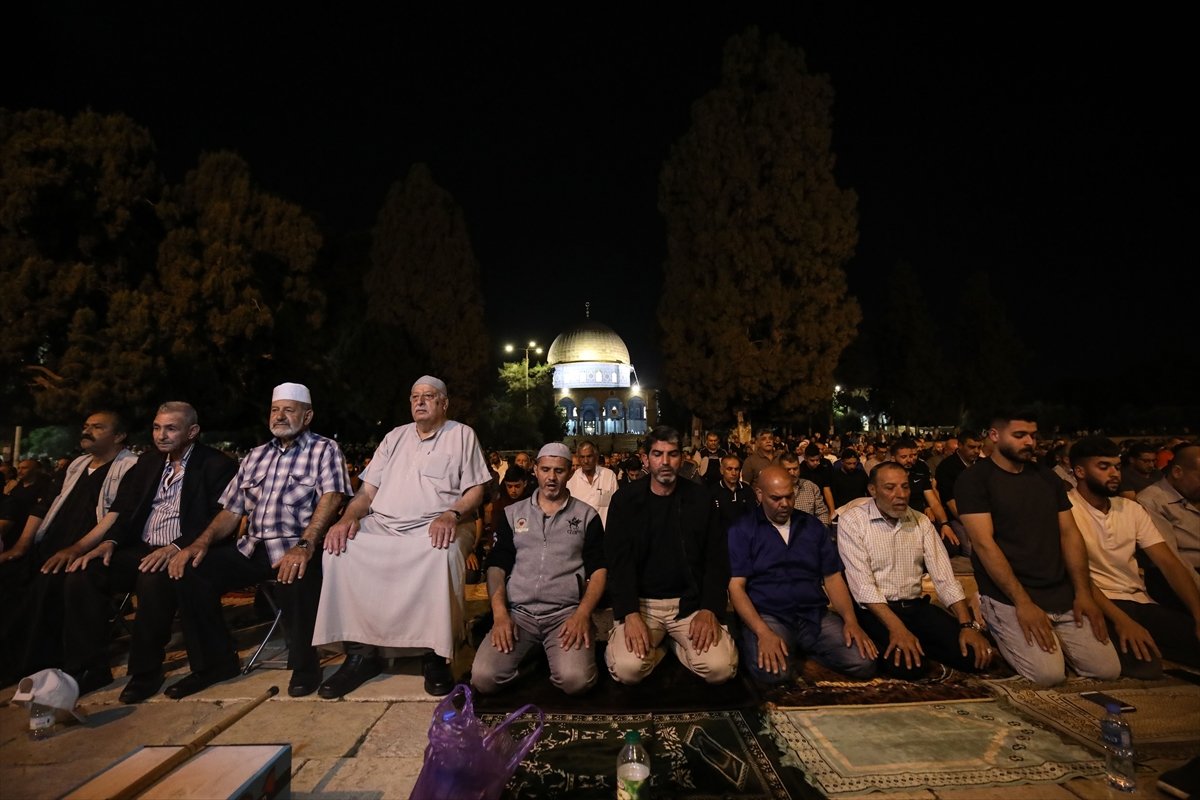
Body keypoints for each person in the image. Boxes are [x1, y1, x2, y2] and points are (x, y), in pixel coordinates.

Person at [167, 384, 350, 698]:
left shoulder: (324, 449)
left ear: (307, 416)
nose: (279, 416)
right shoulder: (255, 456)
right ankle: (215, 664)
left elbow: (331, 499)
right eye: (275, 410)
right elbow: (231, 511)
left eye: (288, 410)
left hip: (297, 544)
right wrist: (200, 543)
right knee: (193, 569)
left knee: (295, 572)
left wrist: (305, 545)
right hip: (252, 547)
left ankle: (306, 666)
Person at [313, 376, 491, 697]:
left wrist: (451, 514)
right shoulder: (394, 437)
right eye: (414, 397)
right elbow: (367, 492)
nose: (420, 402)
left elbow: (476, 490)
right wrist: (348, 517)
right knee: (339, 550)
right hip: (384, 524)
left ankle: (434, 655)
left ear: (444, 403)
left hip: (440, 524)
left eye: (429, 396)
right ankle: (361, 655)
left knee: (441, 554)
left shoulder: (462, 435)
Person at [65, 402, 237, 701]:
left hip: (182, 548)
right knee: (83, 572)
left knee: (153, 578)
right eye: (157, 427)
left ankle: (146, 670)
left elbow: (217, 519)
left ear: (192, 431)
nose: (161, 435)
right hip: (140, 548)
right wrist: (110, 543)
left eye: (171, 428)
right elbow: (127, 511)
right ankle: (91, 667)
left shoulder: (215, 465)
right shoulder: (147, 463)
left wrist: (175, 547)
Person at [956, 411, 1119, 686]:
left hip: (1058, 590)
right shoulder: (975, 480)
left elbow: (1069, 534)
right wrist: (1023, 602)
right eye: (1019, 435)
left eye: (1032, 435)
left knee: (1106, 670)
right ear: (994, 436)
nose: (1029, 442)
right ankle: (991, 617)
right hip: (1009, 594)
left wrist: (1083, 593)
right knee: (1048, 674)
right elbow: (984, 545)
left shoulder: (1047, 479)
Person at [0, 411, 137, 684]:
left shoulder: (131, 466)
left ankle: (38, 663)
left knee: (53, 580)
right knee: (8, 573)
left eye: (98, 427)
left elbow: (119, 516)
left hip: (92, 547)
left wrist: (76, 549)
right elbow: (45, 505)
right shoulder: (75, 466)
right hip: (49, 544)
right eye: (86, 426)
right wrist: (22, 545)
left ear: (119, 436)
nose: (87, 431)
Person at [604, 426, 737, 685]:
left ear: (682, 458)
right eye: (657, 454)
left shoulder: (700, 499)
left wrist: (709, 608)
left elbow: (716, 558)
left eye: (672, 454)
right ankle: (662, 647)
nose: (665, 462)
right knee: (627, 671)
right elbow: (618, 563)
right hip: (643, 606)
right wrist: (629, 613)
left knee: (721, 669)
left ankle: (677, 646)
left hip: (690, 605)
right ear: (646, 458)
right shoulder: (625, 501)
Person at [837, 463, 994, 680]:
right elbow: (863, 587)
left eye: (905, 487)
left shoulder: (920, 521)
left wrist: (967, 625)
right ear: (872, 490)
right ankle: (913, 645)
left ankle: (920, 643)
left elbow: (944, 578)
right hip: (876, 612)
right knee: (910, 668)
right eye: (890, 488)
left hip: (915, 607)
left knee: (976, 656)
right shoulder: (853, 521)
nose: (900, 495)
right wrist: (897, 629)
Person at [471, 443, 606, 695]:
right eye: (545, 470)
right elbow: (497, 566)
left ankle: (552, 655)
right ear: (535, 470)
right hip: (519, 615)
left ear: (569, 472)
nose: (551, 478)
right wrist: (500, 615)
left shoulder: (587, 516)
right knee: (483, 678)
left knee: (576, 681)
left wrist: (582, 614)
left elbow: (599, 570)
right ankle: (533, 659)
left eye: (559, 471)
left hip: (564, 615)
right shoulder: (513, 514)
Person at [728, 466, 877, 683]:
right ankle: (775, 649)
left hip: (813, 615)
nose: (785, 504)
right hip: (769, 615)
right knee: (773, 675)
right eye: (776, 498)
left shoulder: (812, 527)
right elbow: (736, 587)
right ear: (759, 495)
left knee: (864, 663)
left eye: (789, 496)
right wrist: (762, 632)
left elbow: (833, 578)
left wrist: (851, 621)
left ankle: (801, 653)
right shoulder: (743, 529)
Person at [1067, 436, 1200, 677]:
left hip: (1138, 599)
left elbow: (1169, 563)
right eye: (1103, 467)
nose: (1114, 474)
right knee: (1145, 666)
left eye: (1117, 467)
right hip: (1101, 602)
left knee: (1189, 636)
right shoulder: (1066, 509)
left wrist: (1198, 612)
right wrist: (1122, 621)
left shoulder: (1131, 508)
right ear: (1079, 471)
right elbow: (1078, 575)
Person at [1136, 442, 1200, 610]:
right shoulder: (1152, 501)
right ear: (1177, 472)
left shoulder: (1194, 493)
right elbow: (1172, 560)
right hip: (1182, 578)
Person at [566, 440, 619, 526]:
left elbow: (616, 506)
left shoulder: (609, 476)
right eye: (582, 457)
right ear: (578, 458)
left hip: (604, 533)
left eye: (589, 456)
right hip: (580, 533)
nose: (586, 461)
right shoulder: (571, 479)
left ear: (596, 457)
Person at [778, 451, 830, 525]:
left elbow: (822, 512)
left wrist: (821, 532)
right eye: (788, 470)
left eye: (795, 469)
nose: (792, 473)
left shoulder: (811, 487)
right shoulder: (773, 489)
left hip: (809, 532)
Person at [712, 455, 751, 532]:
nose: (734, 473)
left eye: (737, 469)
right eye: (729, 469)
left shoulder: (747, 490)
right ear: (721, 470)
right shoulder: (713, 492)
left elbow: (752, 516)